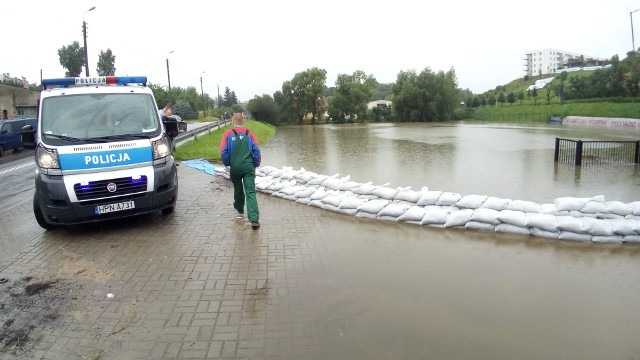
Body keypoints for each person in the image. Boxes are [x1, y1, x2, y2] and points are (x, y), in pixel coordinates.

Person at [219, 113, 262, 229]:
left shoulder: (227, 134)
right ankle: (254, 220)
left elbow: (223, 152)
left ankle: (239, 207)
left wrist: (229, 163)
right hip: (248, 167)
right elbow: (256, 150)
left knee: (238, 188)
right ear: (243, 121)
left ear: (232, 121)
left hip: (235, 167)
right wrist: (256, 163)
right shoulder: (250, 134)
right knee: (250, 191)